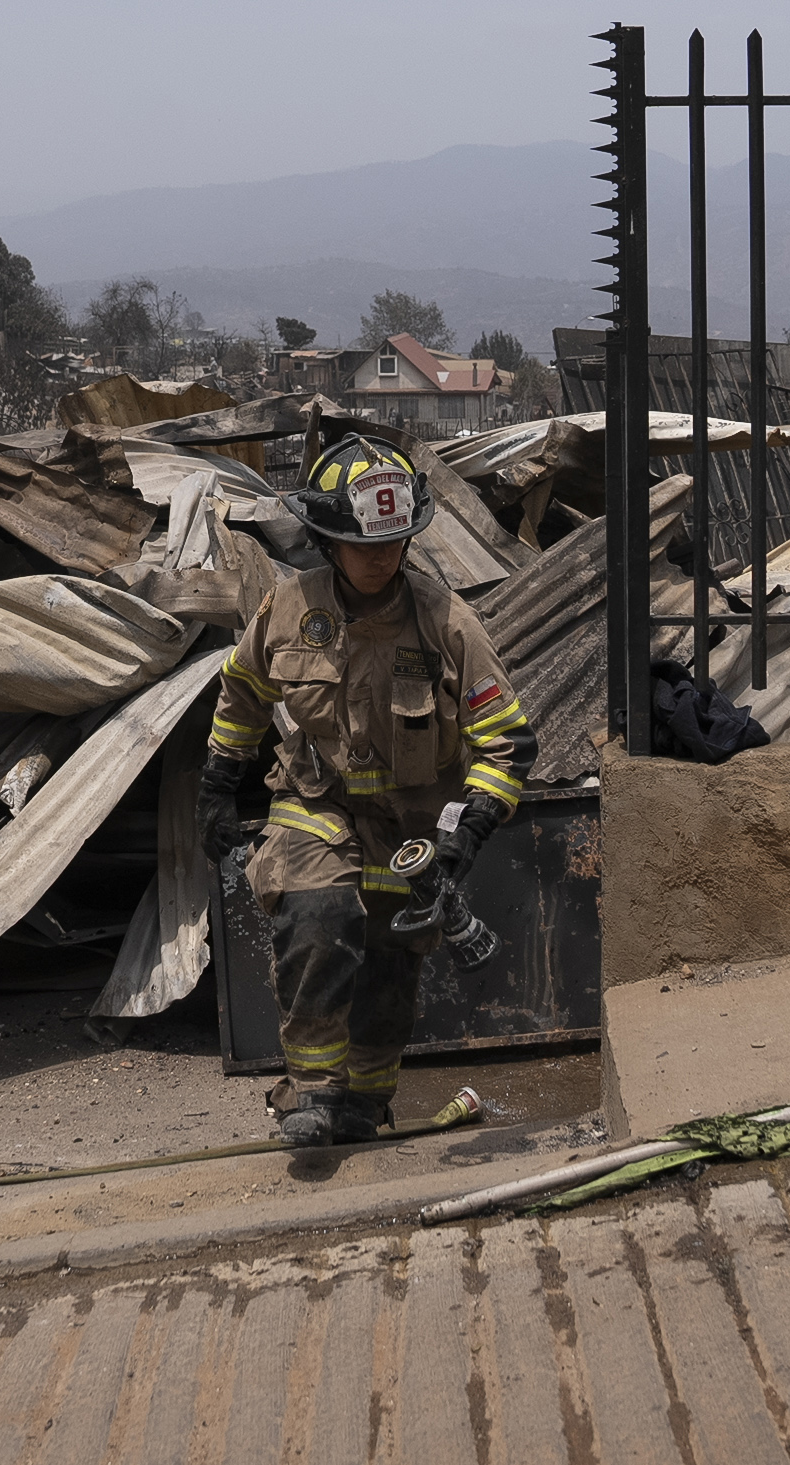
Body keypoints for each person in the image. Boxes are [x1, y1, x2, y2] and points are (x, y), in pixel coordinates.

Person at [199, 437, 534, 1147]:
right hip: (315, 804)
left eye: (395, 542)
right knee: (315, 918)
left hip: (413, 827)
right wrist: (218, 783)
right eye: (363, 544)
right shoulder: (288, 610)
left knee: (388, 963)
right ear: (326, 538)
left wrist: (465, 833)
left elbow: (507, 739)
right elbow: (244, 692)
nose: (382, 557)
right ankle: (311, 1094)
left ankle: (365, 1101)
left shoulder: (447, 622)